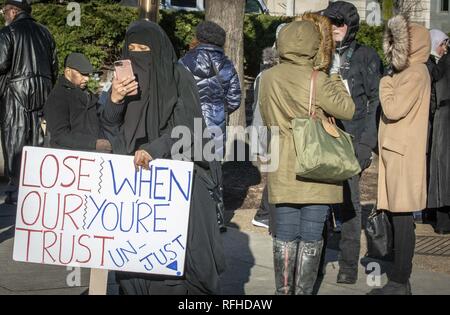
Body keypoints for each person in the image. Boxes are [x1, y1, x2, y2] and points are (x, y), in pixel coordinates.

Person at [101, 20, 226, 295]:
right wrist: (115, 100)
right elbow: (109, 128)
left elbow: (188, 128)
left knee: (177, 268)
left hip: (177, 179)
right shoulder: (122, 79)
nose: (136, 54)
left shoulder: (178, 77)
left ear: (157, 50)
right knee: (132, 265)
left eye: (143, 48)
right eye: (130, 48)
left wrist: (154, 150)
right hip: (132, 185)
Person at [259, 13, 355, 295]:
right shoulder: (319, 79)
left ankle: (283, 291)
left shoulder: (267, 77)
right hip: (316, 167)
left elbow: (265, 116)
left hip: (283, 165)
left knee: (285, 234)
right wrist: (334, 74)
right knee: (312, 235)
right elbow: (347, 109)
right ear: (315, 45)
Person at [322, 1, 383, 285]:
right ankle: (317, 261)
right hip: (322, 140)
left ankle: (348, 266)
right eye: (330, 22)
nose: (334, 28)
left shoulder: (366, 56)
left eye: (340, 23)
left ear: (350, 25)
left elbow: (375, 102)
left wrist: (366, 144)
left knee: (349, 206)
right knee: (318, 205)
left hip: (353, 141)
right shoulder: (319, 54)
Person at [370, 15, 431, 295]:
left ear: (411, 46)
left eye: (399, 44)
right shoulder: (409, 73)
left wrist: (385, 83)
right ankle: (398, 279)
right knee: (398, 217)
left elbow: (394, 109)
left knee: (403, 219)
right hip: (397, 154)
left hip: (403, 156)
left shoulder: (416, 73)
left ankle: (399, 280)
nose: (393, 49)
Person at [0, 0, 58, 204]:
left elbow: (1, 63)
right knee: (39, 140)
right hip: (44, 92)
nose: (3, 14)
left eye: (4, 11)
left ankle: (15, 188)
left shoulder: (9, 32)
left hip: (15, 94)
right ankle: (36, 188)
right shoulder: (46, 33)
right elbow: (54, 68)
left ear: (14, 11)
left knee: (14, 139)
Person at [179, 21, 241, 159]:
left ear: (199, 37)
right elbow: (234, 99)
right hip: (216, 125)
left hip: (187, 123)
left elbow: (175, 93)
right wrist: (219, 109)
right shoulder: (227, 65)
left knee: (188, 167)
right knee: (214, 167)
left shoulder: (183, 62)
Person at [252, 24, 286, 231]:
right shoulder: (267, 75)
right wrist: (260, 146)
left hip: (282, 135)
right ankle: (267, 215)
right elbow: (259, 111)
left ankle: (265, 214)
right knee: (278, 176)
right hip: (276, 134)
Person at [44, 53, 112, 153]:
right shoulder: (57, 96)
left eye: (88, 74)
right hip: (68, 159)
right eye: (83, 74)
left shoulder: (88, 94)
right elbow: (59, 135)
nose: (87, 78)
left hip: (92, 156)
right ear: (68, 72)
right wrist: (93, 143)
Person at [427, 29, 450, 235]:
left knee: (442, 168)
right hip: (441, 117)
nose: (444, 48)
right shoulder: (435, 63)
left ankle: (441, 219)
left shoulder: (439, 62)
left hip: (442, 119)